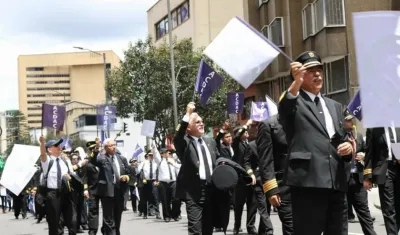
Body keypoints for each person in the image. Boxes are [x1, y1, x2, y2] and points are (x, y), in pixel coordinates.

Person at [278, 51, 354, 235]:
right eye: (311, 70)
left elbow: (340, 138)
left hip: (336, 182)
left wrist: (348, 149)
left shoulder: (334, 106)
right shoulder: (294, 101)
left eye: (319, 69)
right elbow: (285, 108)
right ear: (300, 75)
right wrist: (295, 83)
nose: (318, 74)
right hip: (308, 182)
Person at [174, 102, 218, 235]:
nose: (201, 123)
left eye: (202, 121)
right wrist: (187, 114)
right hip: (194, 192)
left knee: (208, 228)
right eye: (197, 122)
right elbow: (178, 136)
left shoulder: (210, 142)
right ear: (188, 128)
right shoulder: (185, 143)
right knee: (195, 230)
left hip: (210, 190)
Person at [257, 114, 293, 235]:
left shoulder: (305, 120)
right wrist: (271, 189)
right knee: (291, 226)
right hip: (284, 186)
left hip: (307, 184)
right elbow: (265, 160)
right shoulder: (268, 124)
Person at [89, 138, 134, 235]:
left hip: (119, 191)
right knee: (108, 218)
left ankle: (114, 232)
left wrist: (126, 177)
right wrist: (96, 148)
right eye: (111, 145)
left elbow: (130, 173)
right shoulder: (102, 158)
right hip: (107, 192)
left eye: (115, 145)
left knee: (117, 216)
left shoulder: (121, 159)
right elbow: (93, 160)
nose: (114, 147)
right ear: (105, 147)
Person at [364, 124, 400, 234]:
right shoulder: (374, 128)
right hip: (384, 170)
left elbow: (397, 144)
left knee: (398, 207)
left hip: (398, 168)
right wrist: (367, 177)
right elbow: (369, 153)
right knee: (388, 209)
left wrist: (398, 155)